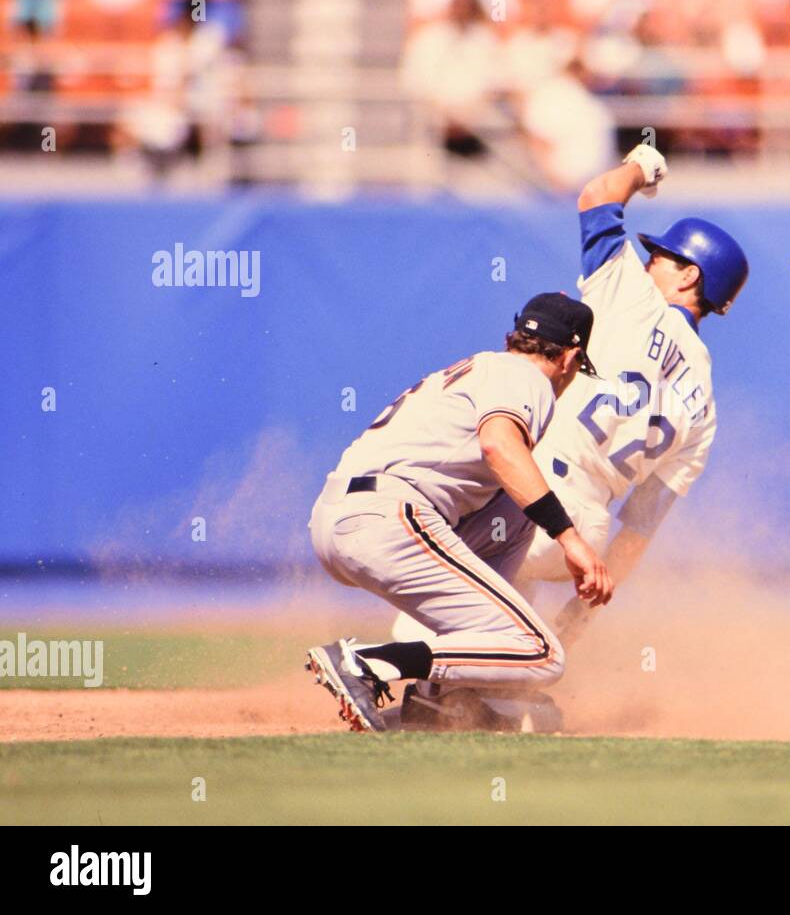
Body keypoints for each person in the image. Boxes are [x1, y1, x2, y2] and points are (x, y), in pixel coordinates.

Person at [392, 143, 748, 653]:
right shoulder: (706, 406)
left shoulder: (633, 298)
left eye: (661, 257)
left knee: (425, 599)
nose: (648, 262)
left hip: (528, 498)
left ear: (690, 275)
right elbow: (639, 531)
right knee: (500, 625)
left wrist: (643, 167)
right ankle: (482, 695)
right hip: (584, 533)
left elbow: (597, 195)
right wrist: (575, 622)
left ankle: (386, 670)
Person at [306, 293, 613, 732]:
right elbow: (500, 447)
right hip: (388, 518)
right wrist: (570, 538)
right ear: (571, 357)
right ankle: (369, 663)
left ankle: (440, 696)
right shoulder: (526, 378)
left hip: (344, 518)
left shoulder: (482, 368)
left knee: (517, 506)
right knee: (542, 653)